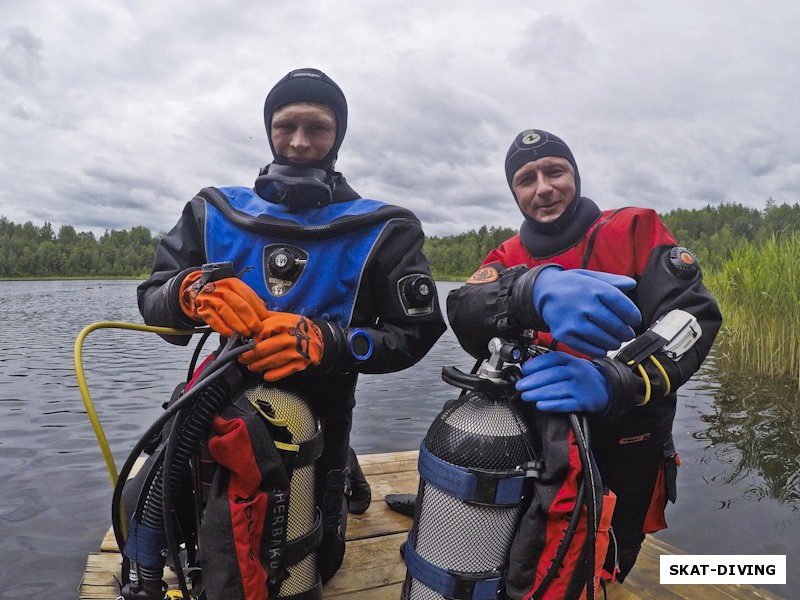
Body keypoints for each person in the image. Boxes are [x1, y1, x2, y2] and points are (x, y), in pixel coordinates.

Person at [136, 68, 446, 591]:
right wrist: (191, 293)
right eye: (286, 126)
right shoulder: (213, 211)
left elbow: (415, 332)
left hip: (325, 406)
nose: (300, 143)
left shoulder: (385, 228)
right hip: (222, 396)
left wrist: (329, 342)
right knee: (203, 534)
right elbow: (153, 298)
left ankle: (339, 474)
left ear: (337, 138)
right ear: (269, 131)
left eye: (318, 128)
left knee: (314, 563)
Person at [445, 129, 722, 585]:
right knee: (517, 554)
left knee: (605, 561)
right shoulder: (508, 256)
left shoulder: (634, 228)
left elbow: (694, 318)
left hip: (625, 438)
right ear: (514, 192)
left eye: (555, 171)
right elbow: (464, 310)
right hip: (531, 437)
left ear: (574, 174)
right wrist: (531, 289)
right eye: (526, 179)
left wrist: (614, 377)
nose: (543, 187)